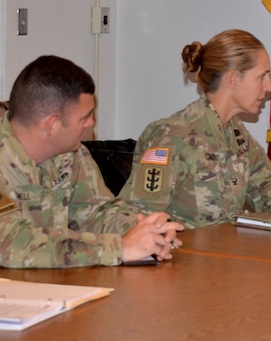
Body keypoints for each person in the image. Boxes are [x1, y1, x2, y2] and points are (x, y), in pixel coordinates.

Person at [0, 55, 182, 268]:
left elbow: (95, 212)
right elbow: (10, 242)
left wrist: (145, 229)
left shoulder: (71, 153)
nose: (91, 123)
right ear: (51, 125)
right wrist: (119, 247)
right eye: (84, 117)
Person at [119, 29, 271, 229]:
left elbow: (264, 186)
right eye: (261, 77)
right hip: (182, 256)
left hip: (224, 252)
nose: (269, 87)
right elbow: (138, 217)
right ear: (233, 79)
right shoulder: (173, 137)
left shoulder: (235, 132)